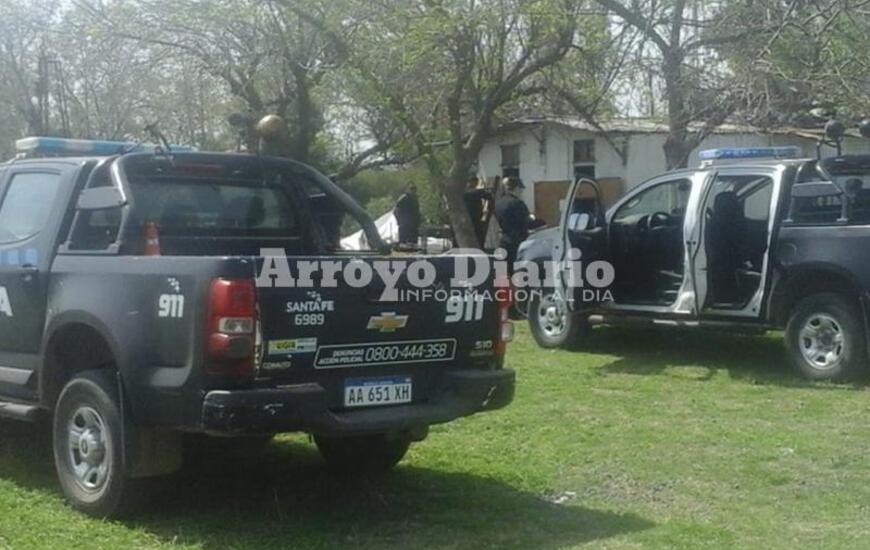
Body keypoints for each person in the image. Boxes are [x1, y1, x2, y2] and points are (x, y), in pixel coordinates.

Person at [494, 177, 530, 272]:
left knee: (504, 272)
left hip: (503, 241)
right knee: (518, 273)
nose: (521, 191)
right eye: (521, 189)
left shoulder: (498, 203)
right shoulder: (517, 203)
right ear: (517, 188)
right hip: (517, 242)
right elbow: (526, 222)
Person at [463, 176, 493, 248]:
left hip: (466, 218)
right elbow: (490, 196)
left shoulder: (464, 192)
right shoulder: (477, 192)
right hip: (476, 218)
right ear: (474, 182)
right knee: (478, 235)